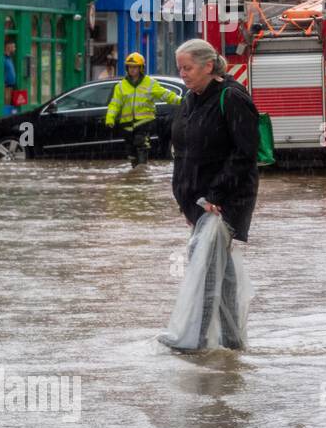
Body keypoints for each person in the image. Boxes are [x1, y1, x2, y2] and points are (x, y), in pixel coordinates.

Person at [170, 39, 260, 350]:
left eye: (188, 67)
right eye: (180, 68)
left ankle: (194, 341)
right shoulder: (190, 98)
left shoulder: (232, 98)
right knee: (221, 266)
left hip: (224, 200)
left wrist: (215, 195)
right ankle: (232, 340)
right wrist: (186, 201)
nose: (183, 74)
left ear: (208, 66)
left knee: (206, 265)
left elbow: (246, 153)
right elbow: (182, 152)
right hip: (198, 202)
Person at [104, 52, 181, 166]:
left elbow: (165, 94)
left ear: (141, 68)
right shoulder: (120, 86)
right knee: (131, 151)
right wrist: (110, 118)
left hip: (144, 122)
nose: (132, 69)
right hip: (127, 125)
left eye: (135, 67)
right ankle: (136, 173)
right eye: (130, 67)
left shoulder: (150, 83)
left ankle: (142, 170)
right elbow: (115, 104)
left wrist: (181, 101)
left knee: (141, 144)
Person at [3, 36, 18, 115]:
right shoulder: (3, 58)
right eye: (14, 47)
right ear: (9, 47)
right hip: (5, 87)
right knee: (6, 105)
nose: (15, 49)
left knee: (10, 105)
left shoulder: (9, 58)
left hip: (11, 86)